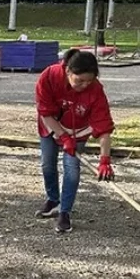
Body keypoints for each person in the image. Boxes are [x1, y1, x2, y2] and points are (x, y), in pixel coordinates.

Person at [34, 48, 115, 234]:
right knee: (47, 164)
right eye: (80, 80)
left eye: (89, 80)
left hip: (78, 131)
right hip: (51, 124)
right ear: (68, 71)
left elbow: (103, 126)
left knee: (72, 170)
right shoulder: (49, 76)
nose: (85, 85)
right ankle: (53, 198)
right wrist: (62, 136)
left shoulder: (95, 90)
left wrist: (105, 160)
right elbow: (45, 112)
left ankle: (65, 211)